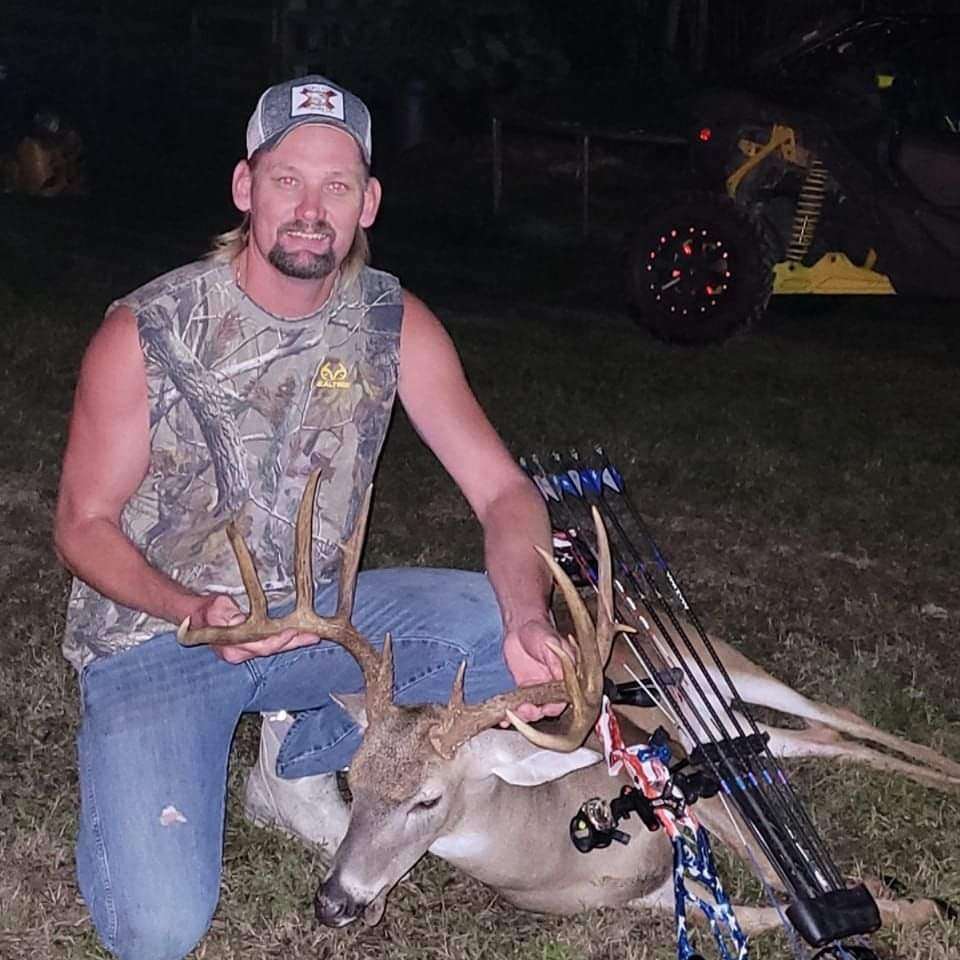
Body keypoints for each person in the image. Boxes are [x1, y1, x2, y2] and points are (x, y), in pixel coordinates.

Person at [53, 74, 567, 960]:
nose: (309, 208)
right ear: (246, 187)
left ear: (367, 202)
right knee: (159, 929)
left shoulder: (391, 322)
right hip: (158, 639)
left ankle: (300, 751)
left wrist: (527, 615)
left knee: (512, 648)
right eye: (287, 179)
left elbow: (504, 494)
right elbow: (81, 523)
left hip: (323, 628)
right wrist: (191, 610)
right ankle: (212, 761)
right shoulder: (149, 330)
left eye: (336, 185)